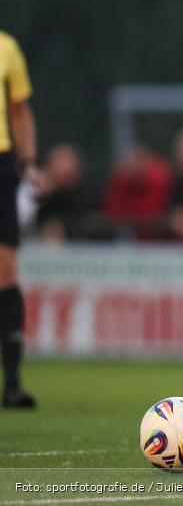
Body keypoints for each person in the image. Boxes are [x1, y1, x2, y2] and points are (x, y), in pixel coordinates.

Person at [0, 30, 44, 409]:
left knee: (5, 267)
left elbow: (19, 109)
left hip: (0, 164)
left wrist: (28, 163)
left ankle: (12, 382)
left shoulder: (7, 47)